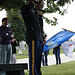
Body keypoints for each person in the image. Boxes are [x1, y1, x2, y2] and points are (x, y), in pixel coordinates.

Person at [21, 0, 44, 75]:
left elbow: (41, 26)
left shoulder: (37, 13)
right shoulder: (26, 9)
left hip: (39, 38)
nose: (42, 4)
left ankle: (37, 73)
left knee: (38, 59)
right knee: (33, 59)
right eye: (41, 3)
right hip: (33, 36)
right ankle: (33, 73)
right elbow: (26, 10)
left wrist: (43, 37)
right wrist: (33, 3)